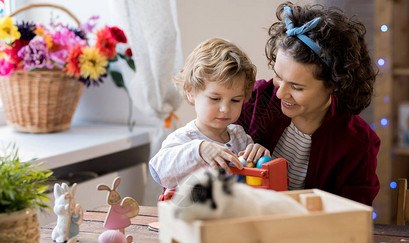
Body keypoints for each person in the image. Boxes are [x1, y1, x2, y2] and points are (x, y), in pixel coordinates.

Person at [237, 2, 380, 206]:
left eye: (296, 87)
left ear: (333, 85)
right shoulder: (253, 100)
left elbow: (353, 215)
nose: (280, 94)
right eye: (278, 76)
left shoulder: (357, 143)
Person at [150, 38, 270, 191]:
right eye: (215, 98)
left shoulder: (240, 137)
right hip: (191, 213)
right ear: (191, 93)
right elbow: (158, 170)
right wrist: (199, 150)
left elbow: (252, 179)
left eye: (235, 100)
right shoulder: (185, 139)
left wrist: (259, 156)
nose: (225, 109)